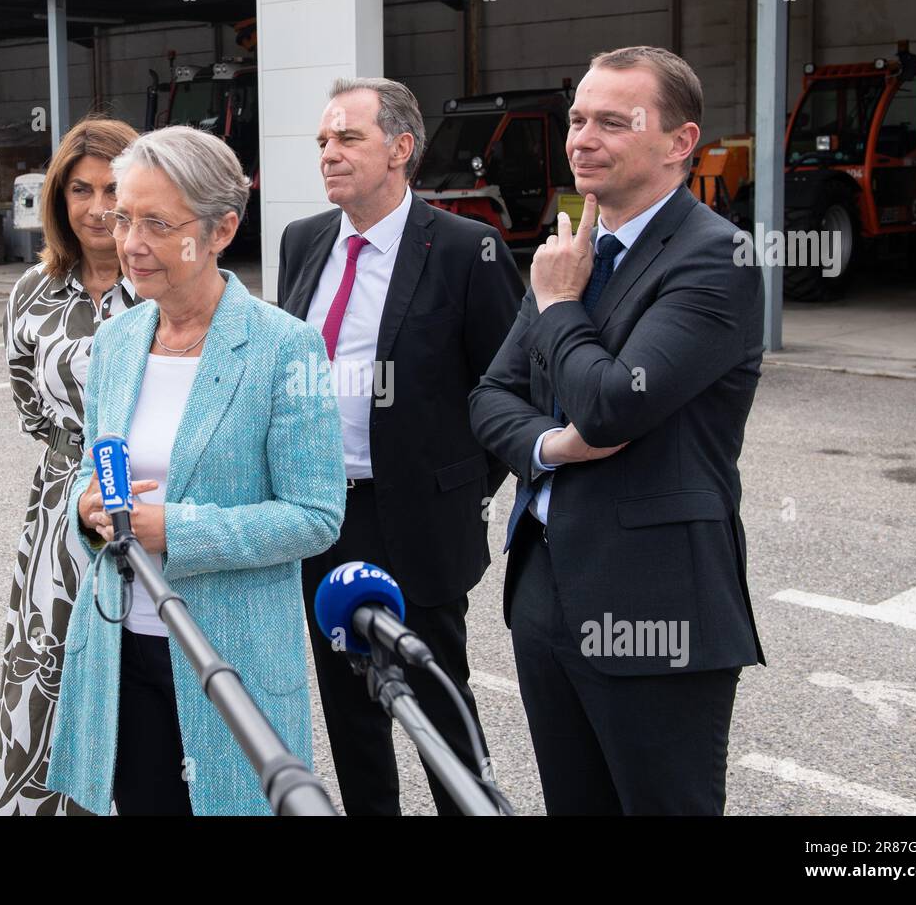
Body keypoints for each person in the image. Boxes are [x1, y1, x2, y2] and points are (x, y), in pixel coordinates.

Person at [469, 46, 766, 815]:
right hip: (543, 591)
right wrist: (552, 446)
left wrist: (562, 307)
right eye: (576, 119)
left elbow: (612, 404)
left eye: (611, 121)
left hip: (653, 603)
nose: (581, 138)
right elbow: (490, 397)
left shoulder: (717, 258)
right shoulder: (574, 251)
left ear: (679, 142)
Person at [46, 125, 346, 816]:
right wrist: (88, 512)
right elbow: (99, 476)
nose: (130, 242)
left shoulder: (285, 346)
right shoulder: (120, 338)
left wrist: (175, 529)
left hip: (228, 659)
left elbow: (316, 515)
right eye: (124, 218)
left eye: (157, 223)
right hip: (123, 647)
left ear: (220, 230)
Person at [277, 77, 523, 815]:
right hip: (320, 510)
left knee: (435, 701)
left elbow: (509, 386)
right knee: (349, 704)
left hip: (415, 516)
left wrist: (463, 487)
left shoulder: (463, 250)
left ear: (401, 149)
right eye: (323, 140)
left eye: (348, 138)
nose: (329, 153)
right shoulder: (304, 241)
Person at [0, 116, 139, 815]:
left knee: (141, 680)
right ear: (58, 198)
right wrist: (73, 468)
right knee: (48, 671)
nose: (99, 206)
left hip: (151, 501)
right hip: (57, 516)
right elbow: (28, 403)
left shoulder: (169, 287)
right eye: (81, 189)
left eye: (114, 187)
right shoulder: (33, 292)